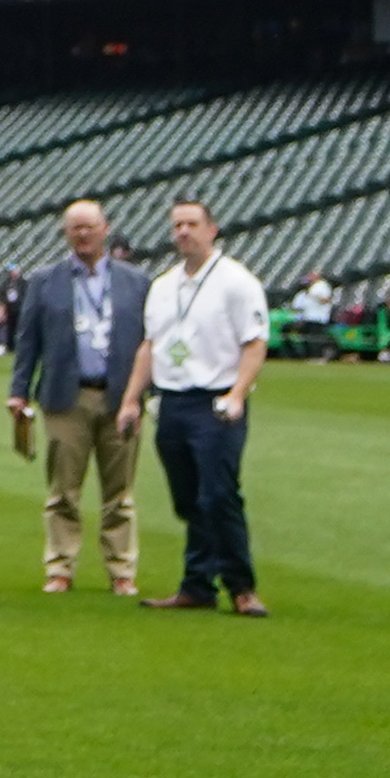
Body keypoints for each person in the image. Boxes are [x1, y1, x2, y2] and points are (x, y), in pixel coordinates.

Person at [118, 196, 267, 616]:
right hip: (172, 401)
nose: (183, 232)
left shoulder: (236, 282)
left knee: (219, 495)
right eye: (177, 225)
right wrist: (132, 399)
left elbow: (255, 343)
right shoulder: (163, 286)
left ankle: (241, 586)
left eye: (192, 224)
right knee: (188, 499)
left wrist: (237, 394)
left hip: (215, 400)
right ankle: (197, 584)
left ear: (211, 229)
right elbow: (150, 346)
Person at [7, 201, 152, 599]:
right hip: (65, 396)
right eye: (75, 229)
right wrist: (18, 390)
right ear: (66, 234)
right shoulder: (46, 280)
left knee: (119, 492)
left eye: (89, 227)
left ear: (105, 229)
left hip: (121, 396)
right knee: (63, 490)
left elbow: (149, 341)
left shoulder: (135, 281)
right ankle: (60, 566)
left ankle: (122, 570)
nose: (83, 234)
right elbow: (28, 341)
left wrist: (143, 395)